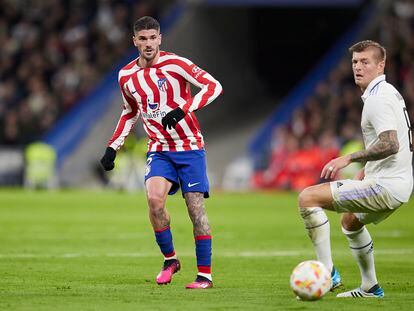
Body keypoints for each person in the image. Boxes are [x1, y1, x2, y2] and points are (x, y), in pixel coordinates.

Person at [100, 16, 222, 289]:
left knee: (195, 210)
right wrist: (112, 146)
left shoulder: (177, 64)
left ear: (160, 38)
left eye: (152, 38)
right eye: (142, 39)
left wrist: (183, 109)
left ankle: (205, 276)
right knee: (155, 202)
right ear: (134, 41)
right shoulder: (126, 76)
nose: (148, 44)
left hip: (190, 147)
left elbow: (214, 86)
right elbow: (129, 112)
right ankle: (171, 260)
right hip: (159, 149)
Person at [298, 40, 413, 298]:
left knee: (308, 198)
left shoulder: (377, 99)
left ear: (380, 65)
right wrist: (367, 169)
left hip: (386, 186)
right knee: (350, 221)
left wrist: (349, 159)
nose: (358, 67)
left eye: (365, 62)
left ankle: (327, 273)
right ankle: (370, 287)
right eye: (354, 62)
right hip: (397, 184)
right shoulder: (389, 92)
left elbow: (391, 144)